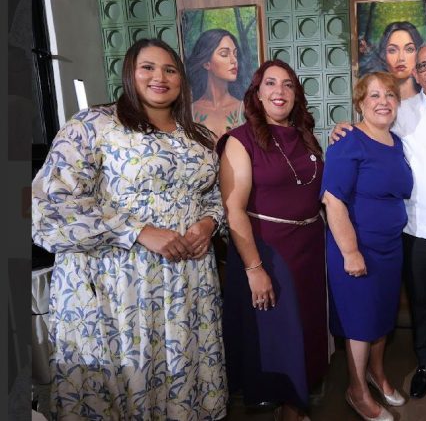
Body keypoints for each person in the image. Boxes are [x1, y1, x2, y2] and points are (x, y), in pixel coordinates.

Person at [31, 38, 227, 419]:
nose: (160, 77)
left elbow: (213, 196)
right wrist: (138, 231)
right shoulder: (94, 125)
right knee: (130, 382)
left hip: (187, 284)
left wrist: (208, 223)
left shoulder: (198, 136)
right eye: (147, 68)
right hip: (121, 285)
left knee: (180, 384)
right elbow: (49, 206)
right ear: (128, 74)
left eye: (170, 70)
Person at [332, 40, 426, 406]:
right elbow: (372, 131)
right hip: (416, 228)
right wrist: (344, 128)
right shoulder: (403, 111)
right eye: (423, 66)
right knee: (420, 304)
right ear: (415, 74)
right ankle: (425, 362)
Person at [218, 60, 327, 421]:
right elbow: (234, 209)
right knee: (278, 334)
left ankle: (296, 404)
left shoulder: (305, 136)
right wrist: (254, 268)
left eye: (288, 85)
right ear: (257, 93)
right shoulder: (240, 139)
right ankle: (284, 404)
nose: (279, 91)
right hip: (268, 250)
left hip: (309, 247)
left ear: (296, 95)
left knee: (306, 327)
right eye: (271, 83)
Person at [321, 71, 414, 421]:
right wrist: (350, 252)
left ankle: (376, 374)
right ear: (360, 103)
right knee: (361, 322)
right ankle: (357, 390)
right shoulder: (348, 141)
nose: (383, 102)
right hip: (357, 248)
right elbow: (333, 200)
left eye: (389, 95)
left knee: (382, 316)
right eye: (374, 95)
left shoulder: (396, 143)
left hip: (390, 248)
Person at [187, 28, 247, 138]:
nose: (234, 60)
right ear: (206, 63)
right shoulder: (190, 112)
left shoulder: (244, 109)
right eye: (224, 54)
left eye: (235, 54)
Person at [376, 21, 425, 100]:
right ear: (383, 55)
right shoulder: (377, 103)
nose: (401, 58)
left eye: (409, 49)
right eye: (392, 50)